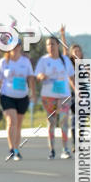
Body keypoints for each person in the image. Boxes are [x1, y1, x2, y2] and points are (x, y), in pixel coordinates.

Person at [0, 38, 35, 160]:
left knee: (18, 124)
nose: (15, 48)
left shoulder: (25, 62)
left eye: (17, 45)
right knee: (11, 121)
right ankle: (11, 149)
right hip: (7, 96)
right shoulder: (4, 62)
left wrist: (33, 93)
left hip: (22, 96)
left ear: (20, 47)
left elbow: (30, 78)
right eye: (12, 46)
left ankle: (16, 149)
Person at [35, 36, 75, 159]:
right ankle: (52, 150)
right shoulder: (43, 60)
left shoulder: (65, 60)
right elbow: (37, 75)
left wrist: (77, 90)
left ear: (58, 45)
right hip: (48, 96)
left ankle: (65, 149)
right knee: (51, 123)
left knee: (64, 122)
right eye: (48, 44)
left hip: (64, 95)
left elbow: (72, 77)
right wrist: (42, 76)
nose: (50, 47)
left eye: (52, 44)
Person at [59, 24, 83, 152]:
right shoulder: (68, 63)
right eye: (75, 51)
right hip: (72, 94)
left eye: (79, 51)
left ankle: (81, 142)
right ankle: (74, 143)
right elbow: (64, 51)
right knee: (74, 118)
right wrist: (63, 35)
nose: (77, 53)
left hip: (83, 94)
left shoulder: (85, 65)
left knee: (82, 120)